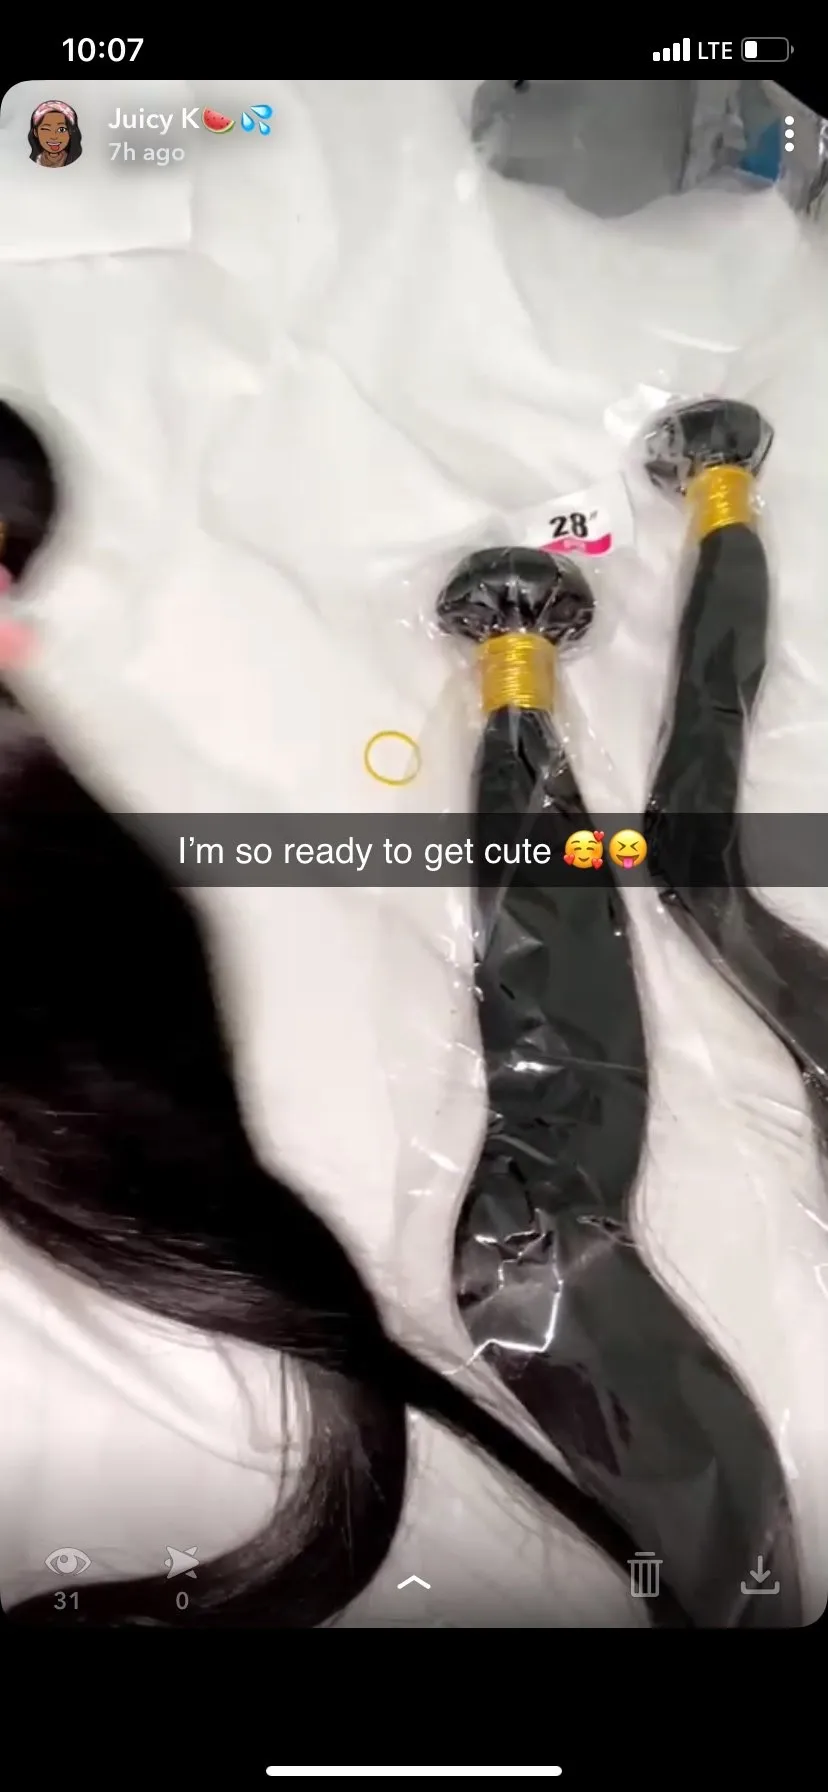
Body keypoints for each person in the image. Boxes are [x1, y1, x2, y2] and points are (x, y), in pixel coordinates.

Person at [27, 102, 83, 169]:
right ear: (35, 132)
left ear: (70, 132)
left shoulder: (75, 162)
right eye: (46, 129)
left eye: (61, 129)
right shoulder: (35, 161)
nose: (53, 137)